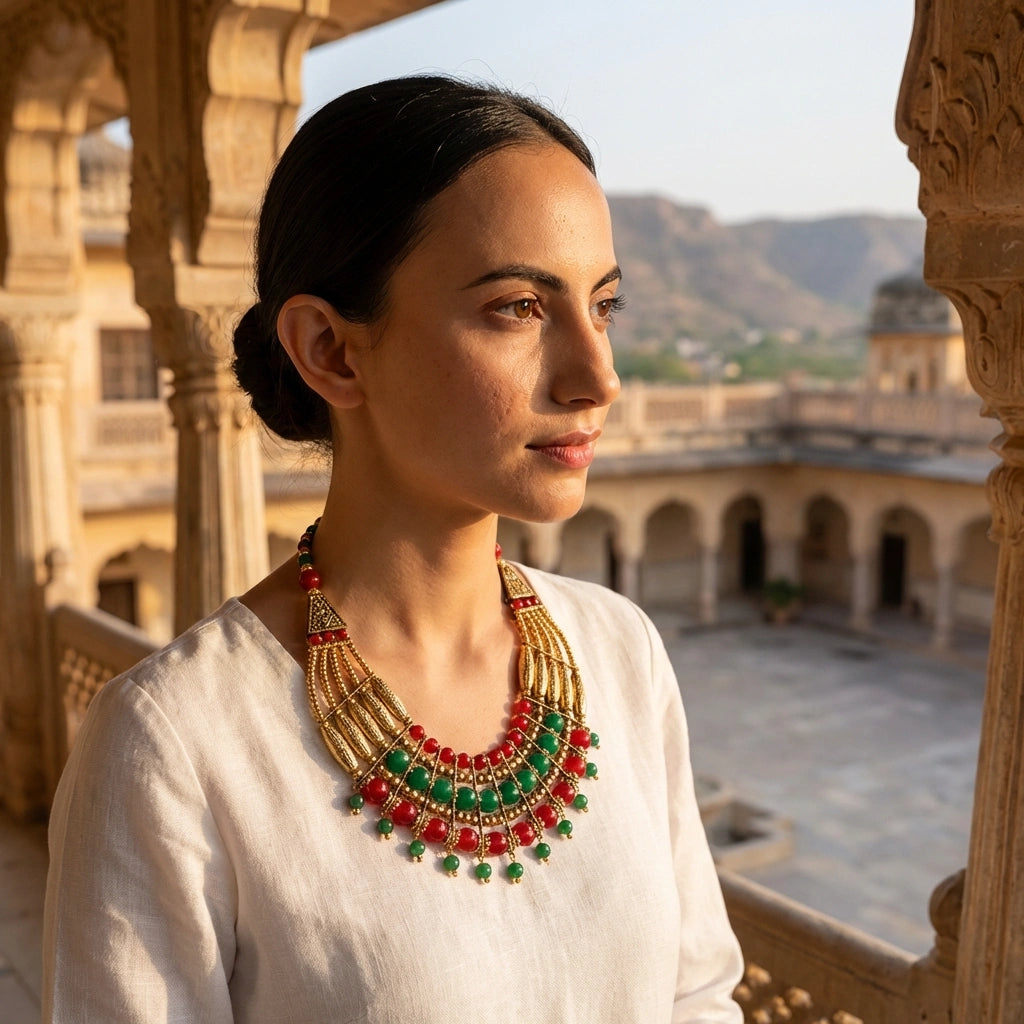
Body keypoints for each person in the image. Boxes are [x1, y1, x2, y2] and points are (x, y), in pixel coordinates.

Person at [43, 76, 743, 1022]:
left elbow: (698, 996)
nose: (598, 376)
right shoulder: (179, 748)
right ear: (331, 348)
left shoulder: (617, 653)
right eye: (518, 310)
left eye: (603, 305)